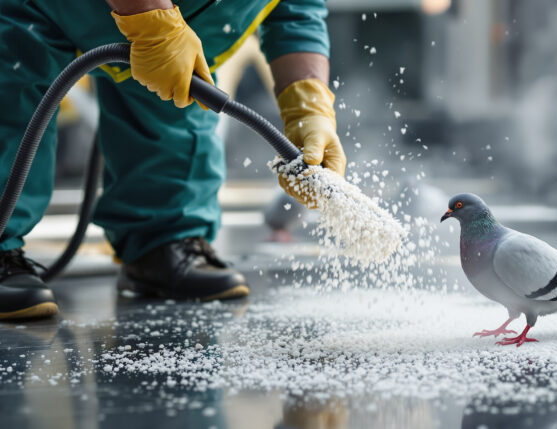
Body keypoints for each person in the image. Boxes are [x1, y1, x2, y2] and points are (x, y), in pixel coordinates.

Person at [0, 0, 346, 320]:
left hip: (178, 27)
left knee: (169, 111)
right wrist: (151, 18)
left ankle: (161, 241)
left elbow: (295, 10)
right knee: (9, 88)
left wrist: (308, 103)